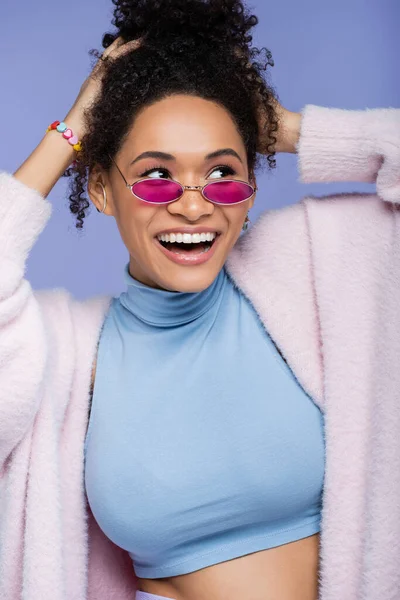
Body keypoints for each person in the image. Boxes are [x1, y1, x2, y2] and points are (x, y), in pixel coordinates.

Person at [1, 1, 399, 599]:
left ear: (252, 187)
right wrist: (72, 130)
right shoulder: (69, 351)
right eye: (156, 175)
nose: (193, 205)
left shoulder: (315, 271)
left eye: (223, 174)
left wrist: (290, 129)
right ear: (103, 191)